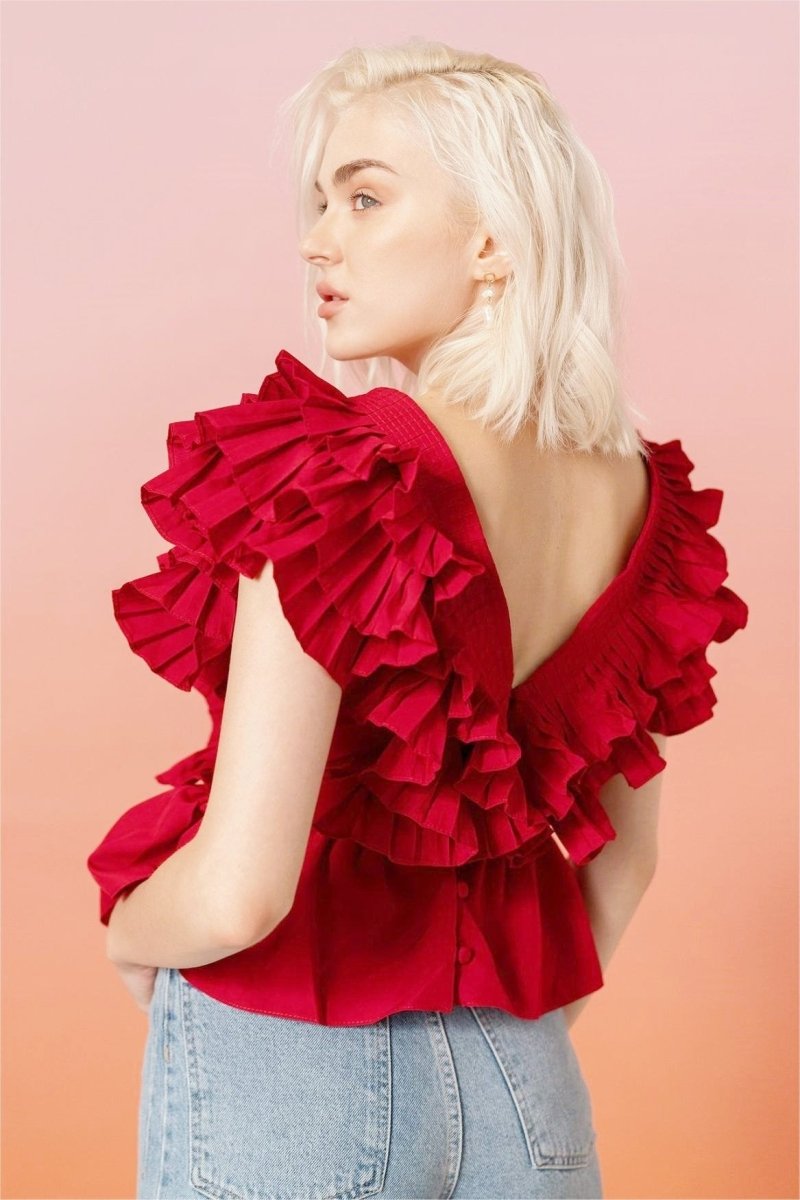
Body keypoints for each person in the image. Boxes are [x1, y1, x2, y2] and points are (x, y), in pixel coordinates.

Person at [86, 39, 749, 1200]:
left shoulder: (337, 476)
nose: (317, 240)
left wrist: (129, 934)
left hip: (289, 1067)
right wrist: (506, 1032)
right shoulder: (648, 504)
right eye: (319, 201)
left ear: (493, 241)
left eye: (364, 198)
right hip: (525, 1082)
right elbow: (625, 862)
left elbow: (242, 891)